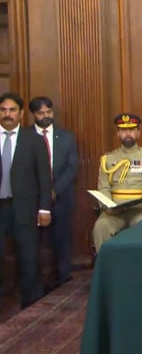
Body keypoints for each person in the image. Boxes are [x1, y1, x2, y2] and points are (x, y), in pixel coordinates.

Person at [0, 92, 51, 309]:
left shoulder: (34, 140)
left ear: (21, 114)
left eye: (12, 110)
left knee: (28, 256)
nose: (7, 114)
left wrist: (45, 209)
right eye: (3, 110)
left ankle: (31, 302)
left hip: (25, 208)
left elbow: (44, 178)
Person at [92, 113, 142, 253]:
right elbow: (103, 188)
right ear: (118, 134)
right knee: (100, 226)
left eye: (132, 129)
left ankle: (141, 269)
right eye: (123, 130)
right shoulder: (107, 159)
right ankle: (109, 269)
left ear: (138, 132)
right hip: (114, 212)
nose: (128, 133)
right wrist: (108, 206)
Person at [29, 96, 78, 288]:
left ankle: (64, 278)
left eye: (49, 112)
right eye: (41, 113)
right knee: (35, 242)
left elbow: (72, 167)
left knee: (62, 239)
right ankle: (36, 280)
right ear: (34, 114)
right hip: (33, 199)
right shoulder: (26, 136)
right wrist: (41, 194)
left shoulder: (66, 136)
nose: (46, 116)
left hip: (62, 197)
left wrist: (54, 190)